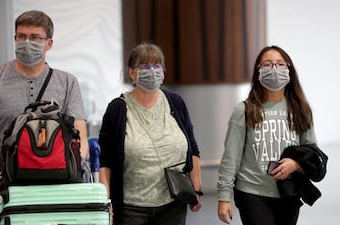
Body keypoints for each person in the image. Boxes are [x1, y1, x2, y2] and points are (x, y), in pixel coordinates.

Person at [0, 10, 89, 224]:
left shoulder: (67, 83)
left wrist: (75, 168)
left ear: (49, 43)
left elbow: (80, 136)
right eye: (21, 37)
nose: (26, 42)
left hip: (57, 183)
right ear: (14, 39)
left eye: (34, 38)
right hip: (7, 181)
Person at [98, 41, 203, 225]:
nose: (152, 71)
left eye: (157, 66)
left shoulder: (176, 103)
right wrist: (106, 203)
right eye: (145, 66)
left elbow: (192, 148)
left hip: (173, 203)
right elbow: (106, 161)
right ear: (132, 73)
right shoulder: (117, 109)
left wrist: (197, 189)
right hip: (131, 208)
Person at [217, 45, 317, 225]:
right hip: (252, 192)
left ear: (289, 70)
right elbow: (231, 157)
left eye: (280, 64)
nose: (274, 70)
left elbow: (311, 151)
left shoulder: (301, 110)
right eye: (267, 65)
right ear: (258, 72)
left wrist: (296, 164)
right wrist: (223, 197)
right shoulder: (244, 110)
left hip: (288, 192)